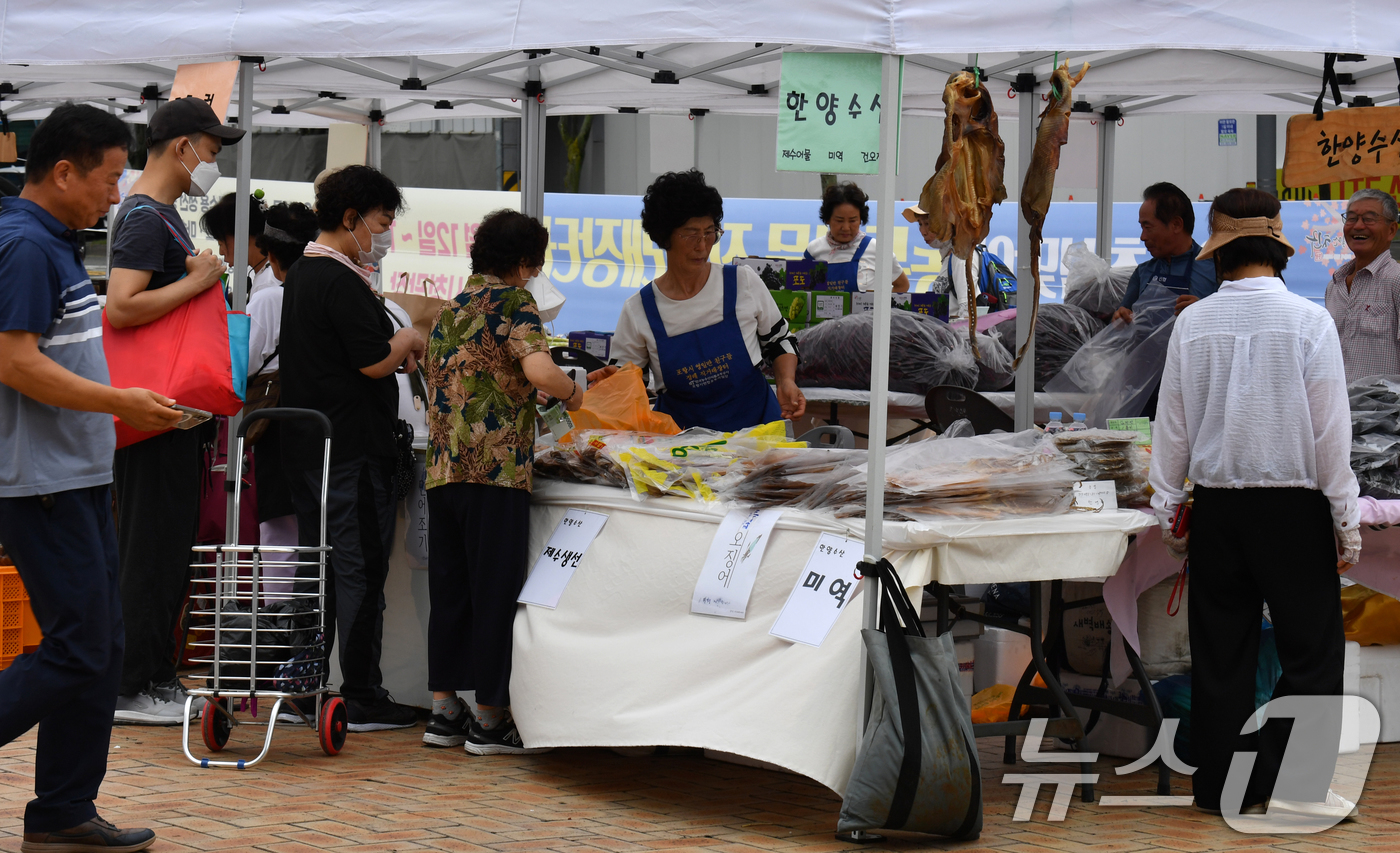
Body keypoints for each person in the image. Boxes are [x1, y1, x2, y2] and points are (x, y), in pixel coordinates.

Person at [0, 102, 180, 853]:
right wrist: (121, 401)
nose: (116, 195)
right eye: (108, 180)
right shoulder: (24, 245)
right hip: (39, 482)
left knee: (102, 646)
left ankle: (64, 807)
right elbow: (15, 360)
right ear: (64, 170)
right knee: (79, 644)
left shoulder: (54, 240)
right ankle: (63, 804)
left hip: (73, 475)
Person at [1149, 187, 1360, 820]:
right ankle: (1293, 781)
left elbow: (1172, 428)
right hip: (1294, 508)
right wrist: (1344, 520)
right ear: (1275, 244)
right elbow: (1332, 435)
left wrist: (1170, 512)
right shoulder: (1308, 319)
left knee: (1222, 658)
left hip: (1218, 508)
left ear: (1218, 249)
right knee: (1313, 656)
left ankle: (1222, 788)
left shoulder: (1194, 321)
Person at [422, 209, 586, 754]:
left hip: (444, 470)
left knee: (450, 593)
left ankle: (444, 710)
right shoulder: (515, 303)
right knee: (494, 594)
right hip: (496, 472)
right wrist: (569, 391)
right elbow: (540, 371)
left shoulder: (450, 310)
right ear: (522, 264)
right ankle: (491, 718)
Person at [104, 96, 244, 725]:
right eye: (210, 153)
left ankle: (155, 675)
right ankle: (132, 684)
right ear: (182, 144)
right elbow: (122, 306)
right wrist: (201, 278)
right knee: (149, 546)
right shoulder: (142, 216)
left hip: (170, 411)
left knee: (165, 548)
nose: (210, 165)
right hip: (154, 409)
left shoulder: (158, 216)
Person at [279, 165, 424, 732]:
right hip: (351, 450)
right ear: (351, 218)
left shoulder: (307, 274)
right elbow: (372, 361)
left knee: (319, 570)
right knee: (357, 569)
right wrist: (408, 338)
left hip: (315, 448)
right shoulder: (337, 279)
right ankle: (362, 692)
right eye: (383, 221)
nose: (386, 233)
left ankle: (305, 687)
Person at [611, 170, 805, 431]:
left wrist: (786, 381)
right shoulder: (639, 311)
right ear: (664, 237)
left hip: (758, 434)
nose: (702, 245)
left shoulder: (743, 283)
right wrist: (612, 386)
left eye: (710, 232)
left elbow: (779, 341)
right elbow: (625, 389)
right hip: (682, 448)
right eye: (691, 234)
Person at [244, 202, 319, 582]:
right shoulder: (327, 289)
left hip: (276, 419)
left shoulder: (268, 297)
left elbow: (244, 363)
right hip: (319, 416)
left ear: (269, 254)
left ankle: (277, 618)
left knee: (278, 527)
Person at [1111, 182, 1219, 323]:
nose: (1142, 237)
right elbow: (1121, 319)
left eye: (1147, 226)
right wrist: (1120, 317)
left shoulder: (1216, 269)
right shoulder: (1142, 273)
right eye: (1141, 227)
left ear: (1176, 224)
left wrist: (1205, 311)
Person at [1325, 188, 1400, 383]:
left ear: (1391, 230)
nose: (1358, 226)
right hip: (1338, 407)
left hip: (1385, 410)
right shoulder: (1334, 286)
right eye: (1351, 218)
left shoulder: (1396, 280)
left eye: (1369, 218)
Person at [804, 182, 909, 293]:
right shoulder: (813, 250)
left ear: (861, 219)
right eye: (839, 220)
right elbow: (801, 289)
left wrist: (879, 305)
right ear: (827, 219)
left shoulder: (878, 250)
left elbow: (902, 286)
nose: (845, 228)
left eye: (853, 220)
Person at [200, 191, 278, 299]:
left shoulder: (267, 284)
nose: (221, 252)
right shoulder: (268, 273)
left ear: (241, 234)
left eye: (221, 243)